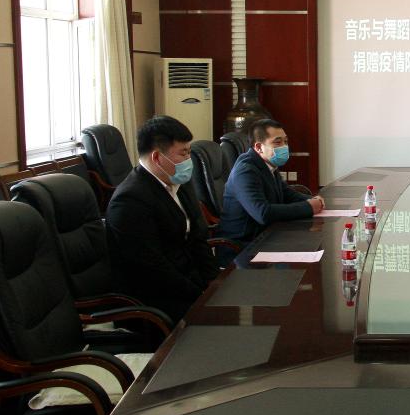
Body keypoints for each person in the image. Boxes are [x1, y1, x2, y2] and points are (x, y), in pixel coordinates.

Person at [106, 115, 219, 322]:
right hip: (153, 301)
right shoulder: (130, 200)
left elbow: (198, 238)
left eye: (189, 152)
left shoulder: (179, 182)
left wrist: (214, 282)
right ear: (157, 158)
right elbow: (153, 269)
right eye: (183, 153)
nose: (189, 160)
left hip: (189, 282)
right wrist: (201, 295)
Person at [218, 119, 324, 255]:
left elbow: (287, 194)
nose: (284, 146)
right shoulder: (245, 171)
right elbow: (263, 213)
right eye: (277, 142)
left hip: (267, 236)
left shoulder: (267, 164)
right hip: (243, 247)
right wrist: (308, 207)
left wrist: (313, 200)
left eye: (286, 141)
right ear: (259, 147)